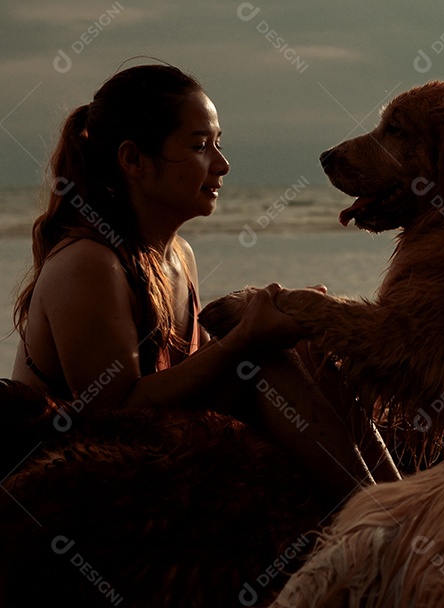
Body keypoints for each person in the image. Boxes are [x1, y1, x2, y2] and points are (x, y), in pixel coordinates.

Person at [10, 63, 370, 494]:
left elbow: (186, 385)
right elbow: (112, 414)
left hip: (151, 447)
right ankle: (379, 511)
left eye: (218, 144)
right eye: (200, 146)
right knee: (259, 357)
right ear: (133, 159)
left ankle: (401, 499)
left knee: (301, 348)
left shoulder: (179, 255)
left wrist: (278, 320)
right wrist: (243, 340)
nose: (223, 164)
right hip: (67, 472)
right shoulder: (89, 263)